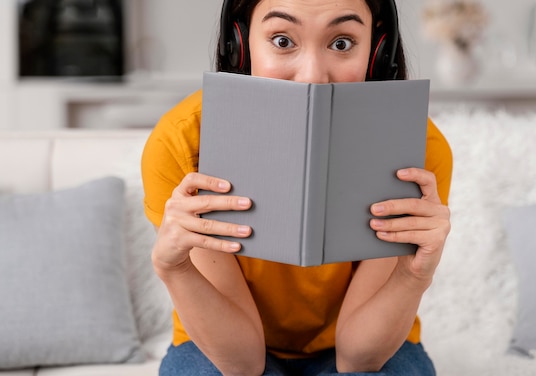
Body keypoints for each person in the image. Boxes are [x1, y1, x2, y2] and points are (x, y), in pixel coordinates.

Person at [141, 0, 453, 374]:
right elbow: (242, 363)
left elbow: (359, 359)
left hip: (360, 342)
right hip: (225, 342)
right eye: (282, 40)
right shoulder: (182, 142)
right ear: (241, 43)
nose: (312, 77)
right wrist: (173, 269)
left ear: (377, 48)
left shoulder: (418, 149)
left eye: (341, 43)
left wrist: (413, 275)